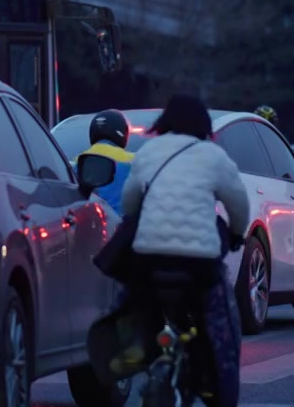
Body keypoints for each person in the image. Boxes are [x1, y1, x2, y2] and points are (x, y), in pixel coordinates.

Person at [119, 94, 250, 400]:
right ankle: (218, 390)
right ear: (204, 124)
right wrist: (235, 234)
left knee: (138, 306)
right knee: (220, 327)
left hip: (148, 258)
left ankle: (142, 353)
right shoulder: (213, 156)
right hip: (199, 263)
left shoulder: (149, 151)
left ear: (165, 121)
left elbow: (129, 203)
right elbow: (239, 205)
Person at [78, 109, 135, 213]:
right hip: (120, 225)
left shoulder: (77, 161)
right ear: (123, 132)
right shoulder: (134, 161)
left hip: (88, 223)